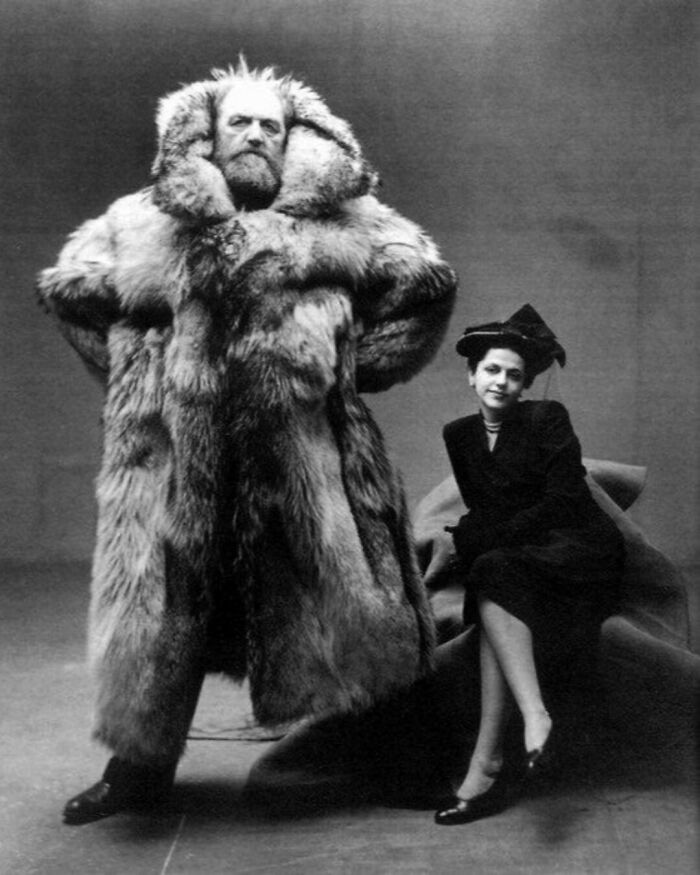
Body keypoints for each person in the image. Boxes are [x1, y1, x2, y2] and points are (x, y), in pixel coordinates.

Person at [37, 59, 457, 824]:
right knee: (161, 618)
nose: (257, 135)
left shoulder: (342, 219)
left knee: (362, 606)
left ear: (291, 137)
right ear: (210, 132)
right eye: (242, 121)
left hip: (305, 459)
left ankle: (402, 761)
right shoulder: (145, 218)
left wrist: (347, 367)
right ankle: (137, 772)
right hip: (181, 463)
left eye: (271, 124)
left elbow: (425, 285)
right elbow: (70, 289)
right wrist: (138, 372)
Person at [433, 304, 625, 825]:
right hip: (520, 554)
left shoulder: (546, 418)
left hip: (578, 547)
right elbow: (485, 508)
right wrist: (478, 534)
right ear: (472, 376)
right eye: (492, 370)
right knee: (491, 572)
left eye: (514, 375)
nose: (501, 382)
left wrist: (487, 535)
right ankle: (497, 754)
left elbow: (564, 500)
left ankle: (520, 730)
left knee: (491, 569)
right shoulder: (458, 434)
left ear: (524, 386)